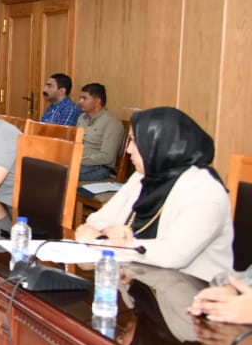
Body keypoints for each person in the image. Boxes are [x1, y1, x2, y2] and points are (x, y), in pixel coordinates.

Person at [75, 107, 233, 282]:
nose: (128, 150)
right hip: (140, 280)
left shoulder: (206, 190)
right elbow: (95, 223)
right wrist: (105, 235)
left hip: (195, 291)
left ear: (160, 145)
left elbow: (173, 255)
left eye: (135, 142)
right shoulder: (142, 176)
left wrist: (104, 243)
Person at [75, 83, 125, 182]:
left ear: (97, 102)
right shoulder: (82, 118)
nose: (80, 101)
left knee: (61, 173)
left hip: (99, 167)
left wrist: (78, 159)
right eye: (80, 98)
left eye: (84, 98)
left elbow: (107, 157)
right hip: (78, 162)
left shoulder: (111, 123)